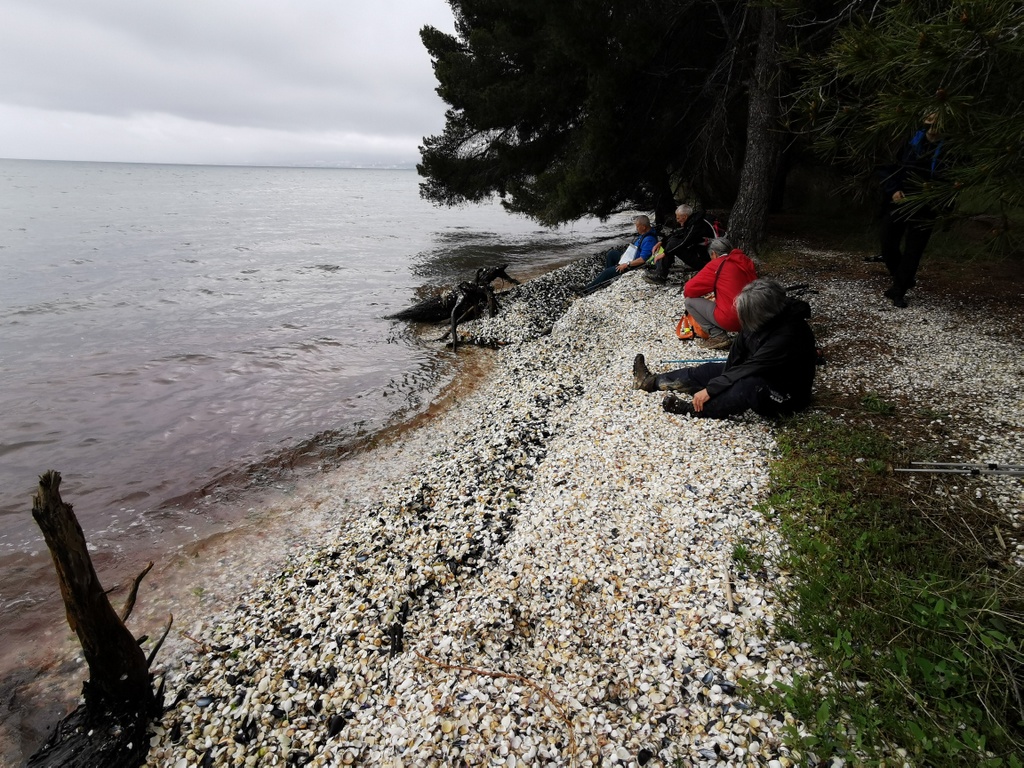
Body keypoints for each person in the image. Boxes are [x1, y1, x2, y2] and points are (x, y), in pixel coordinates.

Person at [632, 279, 817, 419]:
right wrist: (718, 381)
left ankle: (693, 410)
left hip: (785, 395)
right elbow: (737, 354)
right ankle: (651, 382)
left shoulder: (789, 334)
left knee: (748, 386)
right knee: (710, 370)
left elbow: (751, 366)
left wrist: (712, 390)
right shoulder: (761, 319)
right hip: (761, 372)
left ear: (764, 313)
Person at [877, 114, 948, 308]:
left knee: (914, 250)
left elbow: (952, 181)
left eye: (939, 119)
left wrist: (938, 199)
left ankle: (899, 290)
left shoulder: (950, 150)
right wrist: (893, 191)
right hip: (900, 199)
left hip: (927, 204)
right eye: (931, 118)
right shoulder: (909, 140)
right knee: (887, 242)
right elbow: (887, 167)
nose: (934, 123)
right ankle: (903, 278)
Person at [681, 237, 757, 350]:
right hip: (755, 316)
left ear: (714, 254)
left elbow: (689, 290)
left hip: (733, 319)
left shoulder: (717, 264)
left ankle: (717, 335)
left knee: (690, 302)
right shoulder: (743, 261)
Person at [582, 215, 658, 293]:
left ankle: (587, 289)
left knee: (607, 272)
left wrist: (627, 264)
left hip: (634, 265)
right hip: (630, 257)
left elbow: (642, 260)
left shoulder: (649, 240)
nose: (636, 229)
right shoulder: (644, 234)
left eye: (637, 227)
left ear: (643, 227)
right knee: (611, 254)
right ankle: (607, 279)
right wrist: (625, 255)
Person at [644, 204, 718, 284]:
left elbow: (684, 242)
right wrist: (661, 242)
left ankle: (660, 276)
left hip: (707, 261)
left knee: (673, 245)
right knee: (672, 241)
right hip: (701, 253)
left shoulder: (696, 226)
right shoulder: (694, 221)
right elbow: (677, 234)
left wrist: (665, 253)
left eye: (678, 218)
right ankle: (660, 271)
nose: (677, 220)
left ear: (685, 217)